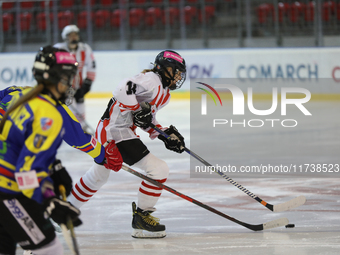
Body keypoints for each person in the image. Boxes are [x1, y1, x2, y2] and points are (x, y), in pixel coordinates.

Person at [0, 46, 121, 255]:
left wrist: (51, 168)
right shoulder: (52, 114)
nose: (71, 84)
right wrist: (49, 201)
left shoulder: (16, 92)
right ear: (54, 78)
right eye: (67, 78)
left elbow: (18, 145)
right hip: (7, 189)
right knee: (49, 248)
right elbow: (26, 171)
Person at [68, 50, 187, 239]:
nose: (179, 77)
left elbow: (146, 119)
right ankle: (142, 217)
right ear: (165, 69)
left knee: (98, 175)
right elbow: (122, 89)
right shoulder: (152, 80)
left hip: (117, 131)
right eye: (177, 72)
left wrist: (164, 135)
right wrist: (139, 109)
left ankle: (65, 212)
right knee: (159, 169)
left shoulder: (164, 93)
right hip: (114, 132)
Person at [54, 24, 96, 133]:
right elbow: (53, 67)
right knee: (68, 105)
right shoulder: (59, 48)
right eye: (70, 35)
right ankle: (70, 127)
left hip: (79, 84)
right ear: (65, 37)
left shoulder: (84, 48)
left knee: (80, 101)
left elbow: (92, 66)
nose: (73, 37)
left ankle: (81, 126)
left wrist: (88, 83)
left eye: (75, 35)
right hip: (63, 85)